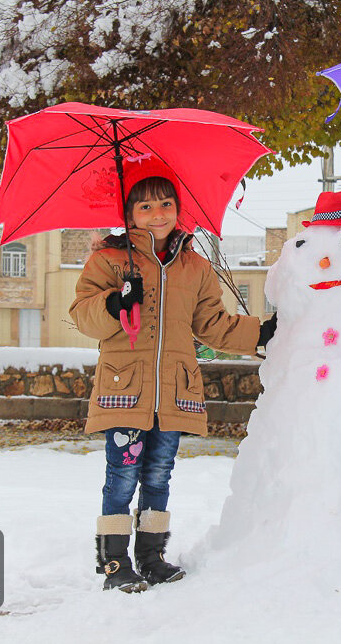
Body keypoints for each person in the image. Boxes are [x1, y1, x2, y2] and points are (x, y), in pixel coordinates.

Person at [69, 167, 278, 594]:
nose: (157, 213)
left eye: (165, 203)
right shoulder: (108, 261)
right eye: (145, 205)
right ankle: (114, 561)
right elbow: (82, 315)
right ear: (129, 214)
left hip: (174, 393)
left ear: (178, 210)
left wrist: (260, 333)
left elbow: (212, 324)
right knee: (122, 475)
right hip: (125, 391)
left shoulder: (195, 267)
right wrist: (114, 301)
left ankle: (151, 556)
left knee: (159, 474)